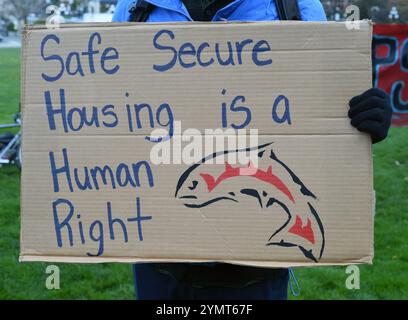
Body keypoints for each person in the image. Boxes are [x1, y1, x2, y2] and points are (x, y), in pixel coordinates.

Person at [112, 0, 392, 300]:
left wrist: (361, 121)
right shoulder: (134, 7)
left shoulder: (296, 6)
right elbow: (109, 106)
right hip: (160, 269)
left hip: (256, 275)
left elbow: (322, 105)